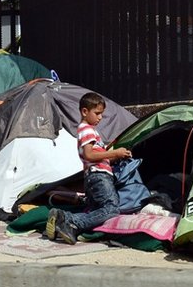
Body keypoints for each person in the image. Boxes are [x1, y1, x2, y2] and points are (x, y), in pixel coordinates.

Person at [45, 91, 132, 244]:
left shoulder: (89, 130)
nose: (100, 118)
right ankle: (68, 219)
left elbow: (95, 155)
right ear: (85, 111)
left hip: (93, 177)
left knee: (95, 211)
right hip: (99, 177)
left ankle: (69, 226)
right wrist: (115, 153)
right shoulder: (87, 130)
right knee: (111, 209)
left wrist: (112, 156)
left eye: (102, 114)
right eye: (97, 113)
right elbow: (89, 155)